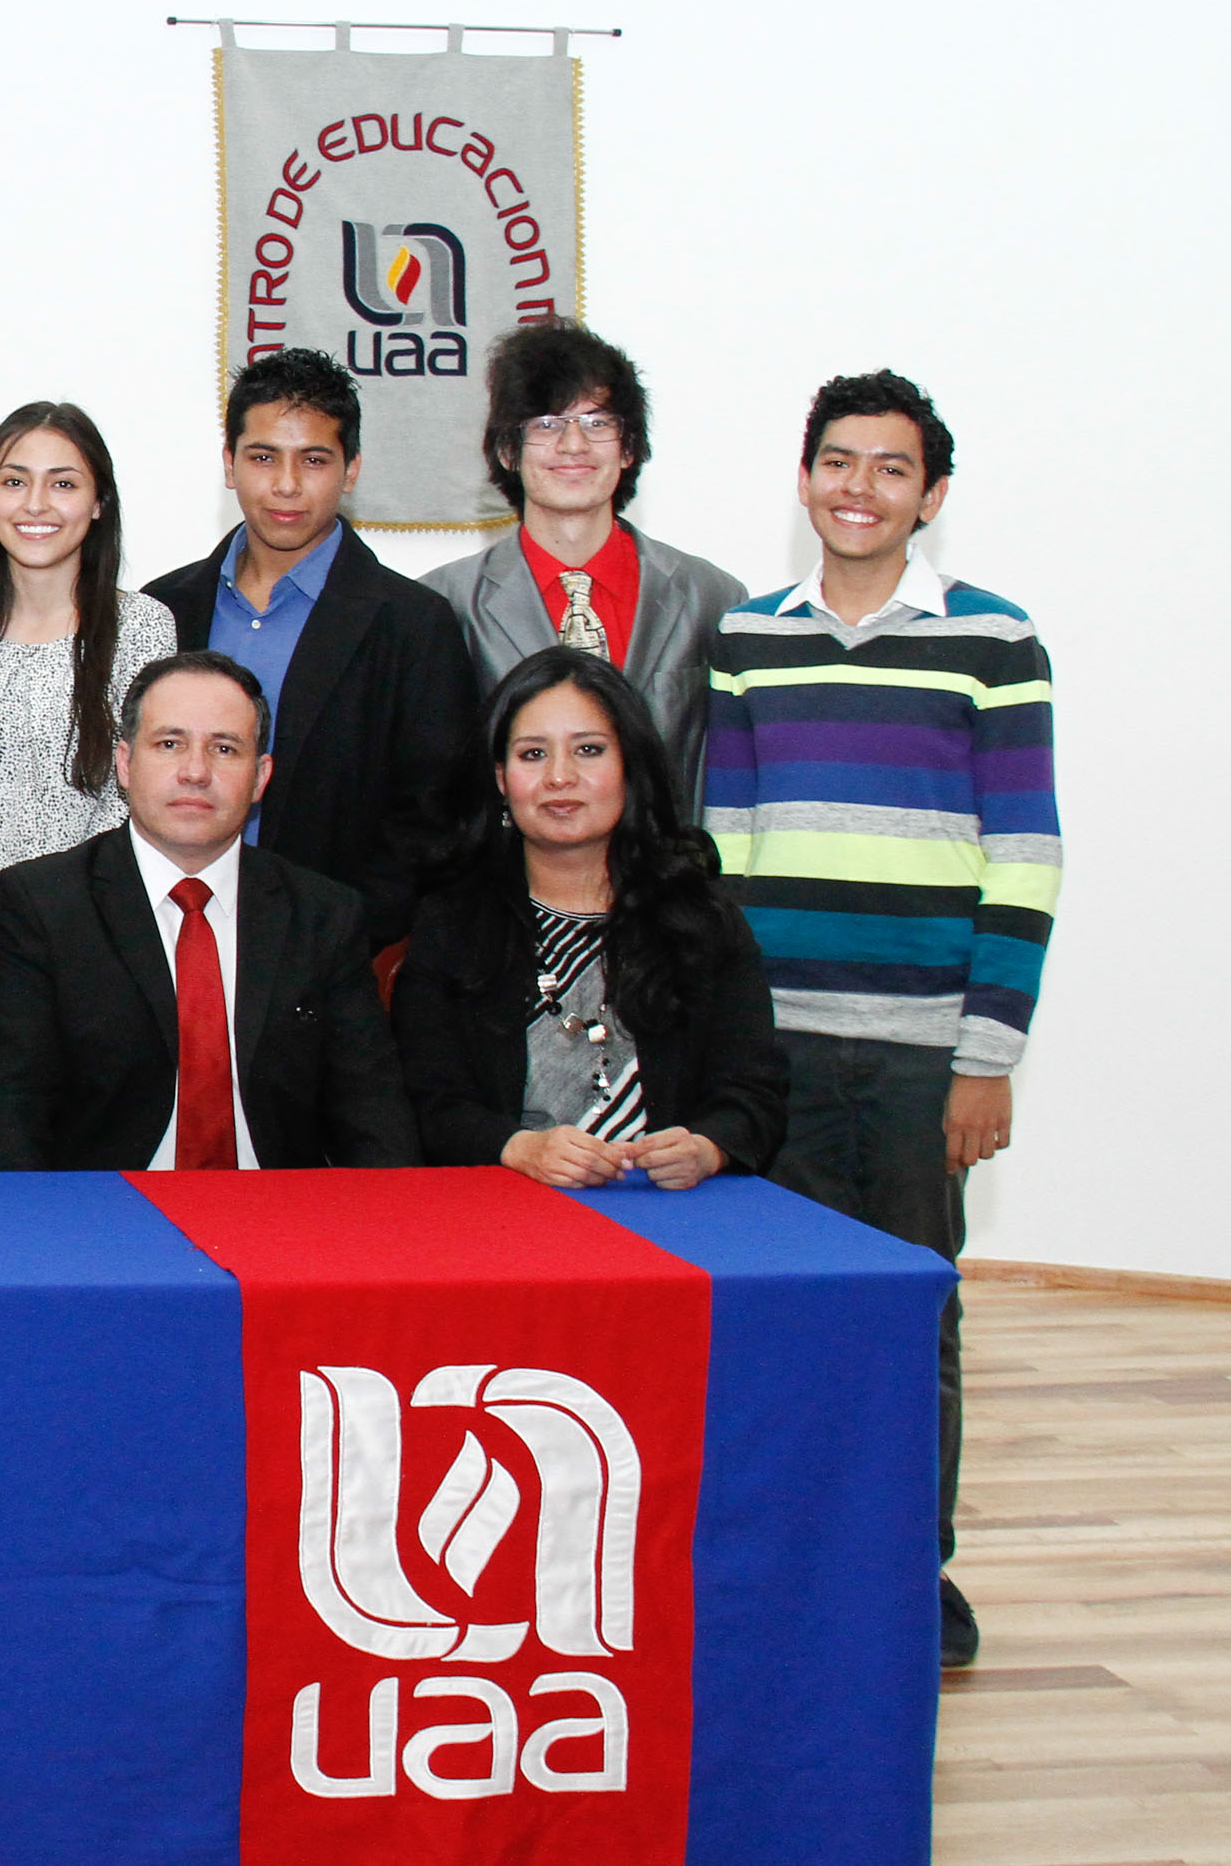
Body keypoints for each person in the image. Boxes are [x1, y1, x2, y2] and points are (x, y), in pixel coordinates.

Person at [704, 370, 1058, 1670]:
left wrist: (988, 1059)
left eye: (890, 468)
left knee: (917, 1314)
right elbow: (719, 851)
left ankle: (919, 1575)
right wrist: (725, 1052)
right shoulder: (750, 638)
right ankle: (793, 1563)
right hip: (781, 1051)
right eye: (838, 463)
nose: (859, 488)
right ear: (805, 478)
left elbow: (1025, 859)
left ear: (933, 493)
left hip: (921, 1060)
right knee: (781, 1311)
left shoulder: (996, 644)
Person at [0, 653, 417, 1172]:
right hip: (103, 1217)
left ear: (260, 776)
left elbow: (372, 1111)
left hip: (278, 1218)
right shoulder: (42, 903)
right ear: (125, 764)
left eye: (225, 749)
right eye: (170, 744)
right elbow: (9, 1111)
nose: (196, 771)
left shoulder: (322, 914)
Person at [394, 649, 786, 1189]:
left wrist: (706, 1147)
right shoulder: (451, 922)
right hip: (503, 1216)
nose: (560, 776)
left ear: (630, 765)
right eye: (533, 754)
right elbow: (426, 1100)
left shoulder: (702, 917)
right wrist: (518, 1147)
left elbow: (754, 1093)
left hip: (674, 1220)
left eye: (589, 750)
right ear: (501, 779)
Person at [140, 349, 477, 948]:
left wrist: (335, 940)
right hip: (164, 942)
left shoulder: (412, 625)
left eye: (314, 460)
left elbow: (432, 825)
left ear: (351, 471)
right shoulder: (160, 610)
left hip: (336, 957)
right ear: (229, 462)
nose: (287, 484)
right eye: (263, 457)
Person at [423, 319, 748, 800]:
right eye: (547, 424)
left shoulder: (712, 598)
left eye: (598, 423)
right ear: (509, 451)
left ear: (629, 447)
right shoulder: (443, 606)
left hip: (667, 870)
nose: (573, 445)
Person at [0, 401, 178, 976]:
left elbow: (132, 795)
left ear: (98, 503)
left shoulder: (145, 626)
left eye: (63, 483)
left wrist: (61, 933)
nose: (36, 504)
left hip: (96, 942)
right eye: (14, 482)